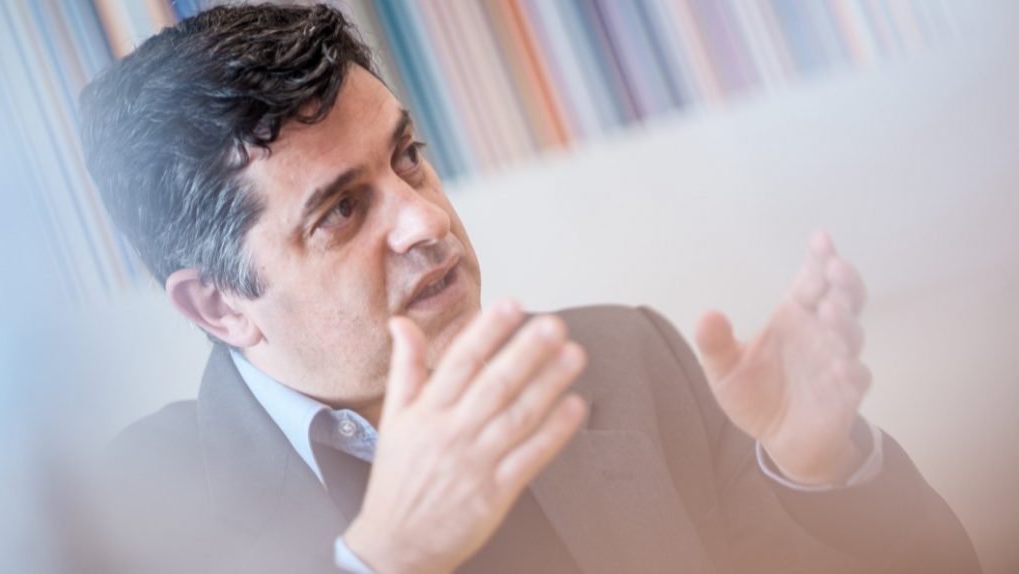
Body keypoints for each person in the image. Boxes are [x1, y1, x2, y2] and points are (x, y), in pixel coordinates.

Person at [78, 3, 980, 573]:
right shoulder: (127, 518)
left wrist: (818, 470)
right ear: (219, 305)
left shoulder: (626, 360)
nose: (425, 219)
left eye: (408, 157)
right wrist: (381, 561)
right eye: (342, 210)